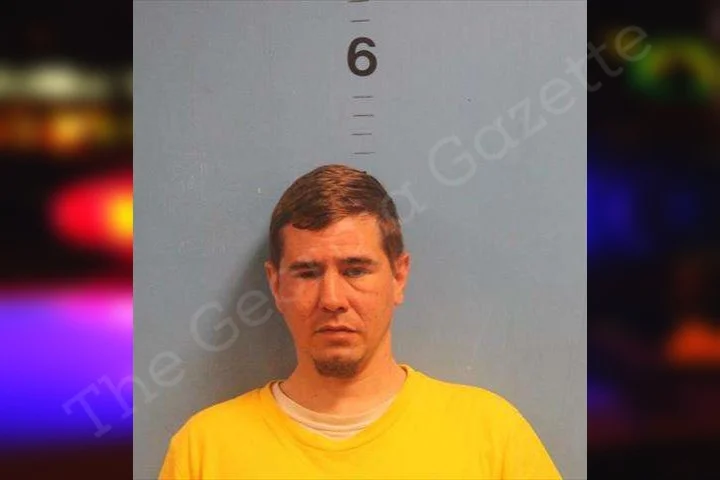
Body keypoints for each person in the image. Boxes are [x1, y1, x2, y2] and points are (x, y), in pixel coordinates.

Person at [158, 164, 562, 479]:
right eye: (307, 272)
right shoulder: (205, 450)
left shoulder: (491, 437)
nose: (332, 299)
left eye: (355, 270)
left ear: (398, 277)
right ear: (276, 284)